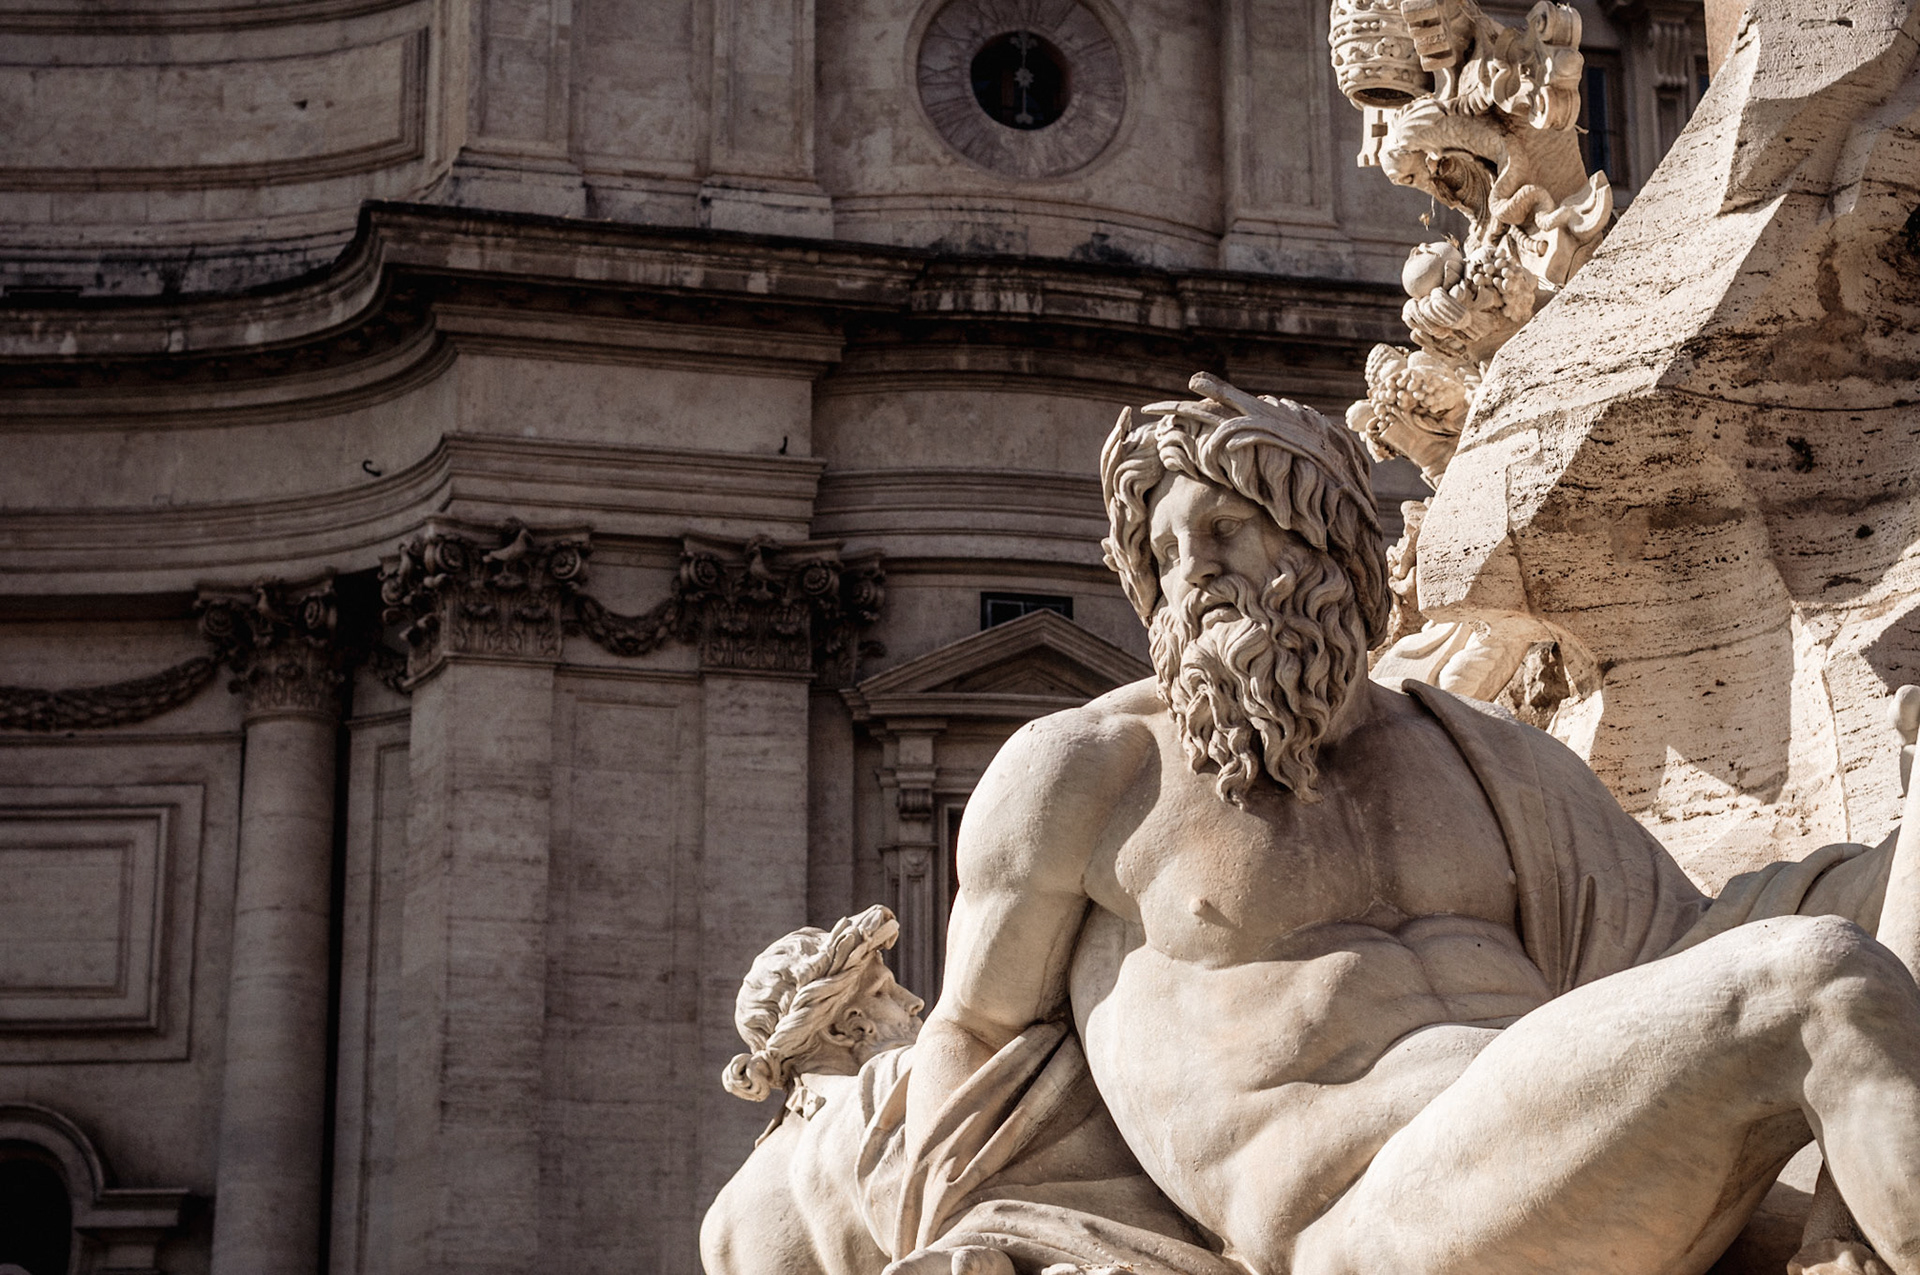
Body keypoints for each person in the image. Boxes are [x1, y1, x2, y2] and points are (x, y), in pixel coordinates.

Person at [889, 374, 1919, 1275]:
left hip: (1568, 1162)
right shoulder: (1092, 767)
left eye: (1223, 530)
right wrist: (950, 1241)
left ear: (1328, 546)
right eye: (1162, 554)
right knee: (1819, 984)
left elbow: (1689, 946)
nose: (1188, 572)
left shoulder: (1489, 756)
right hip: (1360, 1214)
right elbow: (973, 1030)